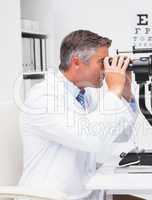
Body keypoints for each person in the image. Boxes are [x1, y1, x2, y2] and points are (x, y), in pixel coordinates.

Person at [18, 30, 141, 200]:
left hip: (86, 192)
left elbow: (119, 135)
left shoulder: (83, 96)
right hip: (51, 196)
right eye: (102, 62)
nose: (106, 70)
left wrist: (125, 93)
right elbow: (91, 138)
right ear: (76, 62)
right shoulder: (43, 98)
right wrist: (114, 90)